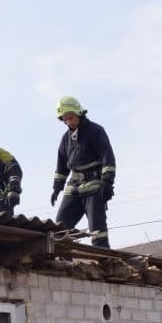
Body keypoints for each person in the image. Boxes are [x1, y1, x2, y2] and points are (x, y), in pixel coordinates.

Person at [51, 97, 116, 249]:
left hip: (94, 187)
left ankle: (104, 262)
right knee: (60, 228)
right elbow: (61, 167)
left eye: (71, 117)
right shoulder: (65, 139)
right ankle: (64, 261)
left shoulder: (96, 131)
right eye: (65, 119)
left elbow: (108, 157)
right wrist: (56, 188)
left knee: (97, 231)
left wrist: (107, 182)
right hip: (73, 187)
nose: (69, 122)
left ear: (79, 113)